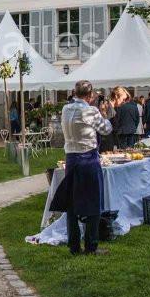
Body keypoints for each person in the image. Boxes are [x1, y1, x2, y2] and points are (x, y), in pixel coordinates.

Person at [50, 80, 112, 256]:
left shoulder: (65, 109)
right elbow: (106, 129)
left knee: (72, 203)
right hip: (88, 158)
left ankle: (74, 245)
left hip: (71, 159)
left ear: (74, 92)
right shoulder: (90, 111)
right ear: (90, 95)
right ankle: (91, 246)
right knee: (93, 202)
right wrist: (104, 113)